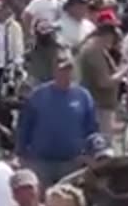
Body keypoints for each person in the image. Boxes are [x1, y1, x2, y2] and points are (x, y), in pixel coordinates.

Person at [17, 55, 99, 187]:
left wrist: (90, 155)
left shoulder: (83, 96)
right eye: (61, 70)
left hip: (72, 162)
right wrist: (21, 154)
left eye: (69, 70)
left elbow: (92, 129)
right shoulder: (38, 95)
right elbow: (25, 126)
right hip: (41, 162)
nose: (65, 74)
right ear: (54, 71)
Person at [78, 11, 124, 142]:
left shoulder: (100, 49)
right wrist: (123, 73)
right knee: (102, 148)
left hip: (103, 106)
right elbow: (103, 82)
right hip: (98, 106)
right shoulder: (94, 51)